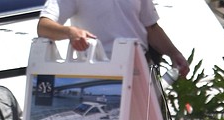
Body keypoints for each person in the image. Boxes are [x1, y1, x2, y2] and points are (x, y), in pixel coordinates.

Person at [37, 0, 189, 75]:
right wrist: (70, 32)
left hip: (141, 73)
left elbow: (151, 28)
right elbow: (43, 27)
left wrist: (173, 53)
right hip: (101, 78)